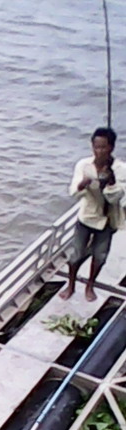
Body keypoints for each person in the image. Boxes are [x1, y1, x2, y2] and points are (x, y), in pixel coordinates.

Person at [60, 127, 125, 302]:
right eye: (96, 147)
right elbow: (74, 192)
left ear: (111, 147)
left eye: (104, 147)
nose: (99, 151)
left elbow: (115, 198)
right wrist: (83, 184)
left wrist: (111, 183)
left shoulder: (120, 169)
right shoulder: (83, 165)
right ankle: (71, 285)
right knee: (76, 255)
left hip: (108, 220)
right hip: (87, 217)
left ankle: (90, 285)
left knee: (100, 257)